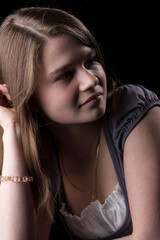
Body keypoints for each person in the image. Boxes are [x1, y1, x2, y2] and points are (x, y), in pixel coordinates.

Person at [0, 7, 160, 240]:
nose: (91, 79)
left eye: (90, 61)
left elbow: (150, 236)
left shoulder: (134, 112)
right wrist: (12, 129)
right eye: (65, 75)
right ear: (30, 99)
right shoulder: (41, 151)